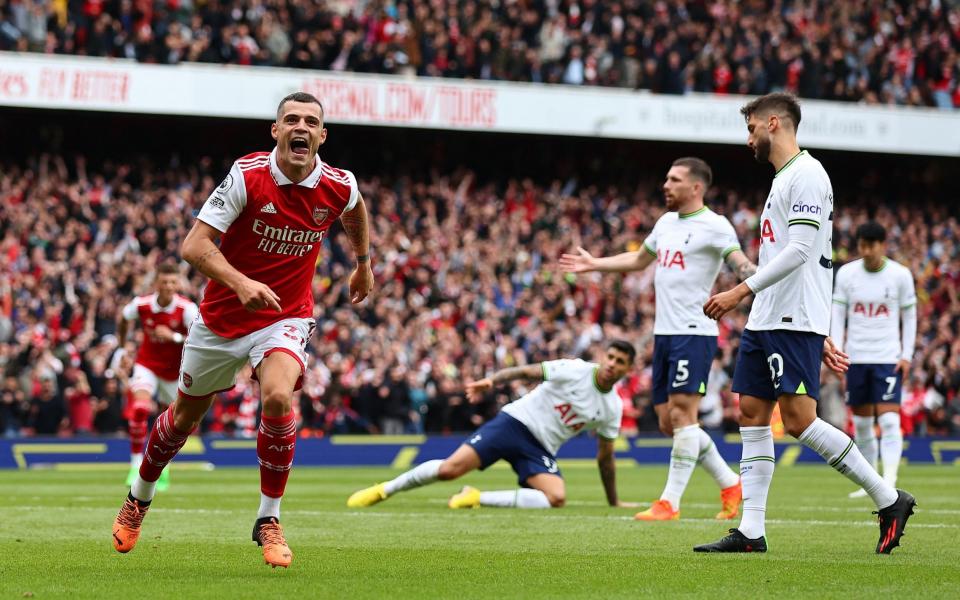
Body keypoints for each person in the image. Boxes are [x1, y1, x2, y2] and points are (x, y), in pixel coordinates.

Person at [111, 91, 374, 569]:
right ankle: (138, 497)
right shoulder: (248, 176)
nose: (301, 127)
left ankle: (268, 519)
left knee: (277, 397)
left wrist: (362, 263)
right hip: (222, 320)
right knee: (184, 419)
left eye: (310, 122)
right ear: (275, 130)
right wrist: (241, 282)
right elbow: (194, 246)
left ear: (321, 135)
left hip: (285, 315)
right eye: (290, 119)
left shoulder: (339, 184)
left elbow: (355, 209)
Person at [695, 93, 915, 554]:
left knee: (798, 421)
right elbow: (795, 257)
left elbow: (801, 251)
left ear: (774, 123)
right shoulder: (784, 179)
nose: (748, 137)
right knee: (751, 414)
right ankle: (751, 531)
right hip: (769, 315)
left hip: (789, 317)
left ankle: (889, 498)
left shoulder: (808, 175)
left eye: (752, 127)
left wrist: (741, 292)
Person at [560, 157, 755, 522]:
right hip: (664, 334)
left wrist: (753, 280)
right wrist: (595, 264)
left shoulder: (715, 226)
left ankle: (670, 503)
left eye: (674, 179)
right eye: (666, 178)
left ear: (696, 187)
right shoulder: (666, 223)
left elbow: (740, 263)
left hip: (694, 332)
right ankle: (731, 483)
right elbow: (638, 261)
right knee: (670, 423)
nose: (665, 184)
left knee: (684, 415)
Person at [346, 341, 638, 511]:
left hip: (540, 447)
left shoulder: (612, 407)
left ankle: (475, 497)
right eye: (610, 357)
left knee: (556, 498)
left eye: (620, 361)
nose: (612, 363)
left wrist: (614, 502)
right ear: (604, 356)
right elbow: (527, 371)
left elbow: (605, 458)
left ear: (628, 369)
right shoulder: (575, 369)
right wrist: (493, 381)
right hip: (514, 423)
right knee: (449, 470)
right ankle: (386, 489)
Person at [831, 222, 916, 498]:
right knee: (863, 424)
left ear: (883, 244)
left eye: (872, 245)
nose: (866, 251)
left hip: (887, 358)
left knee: (890, 421)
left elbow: (910, 316)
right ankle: (871, 483)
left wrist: (907, 354)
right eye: (862, 245)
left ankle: (889, 479)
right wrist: (837, 351)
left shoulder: (900, 275)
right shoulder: (846, 274)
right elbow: (838, 315)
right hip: (856, 358)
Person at [115, 263, 198, 490]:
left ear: (178, 284)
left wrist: (174, 337)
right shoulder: (141, 304)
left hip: (174, 372)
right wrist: (122, 349)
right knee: (140, 408)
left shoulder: (186, 308)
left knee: (172, 425)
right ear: (156, 284)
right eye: (164, 282)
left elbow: (199, 337)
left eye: (173, 282)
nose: (169, 286)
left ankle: (164, 469)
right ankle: (134, 466)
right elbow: (123, 318)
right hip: (147, 365)